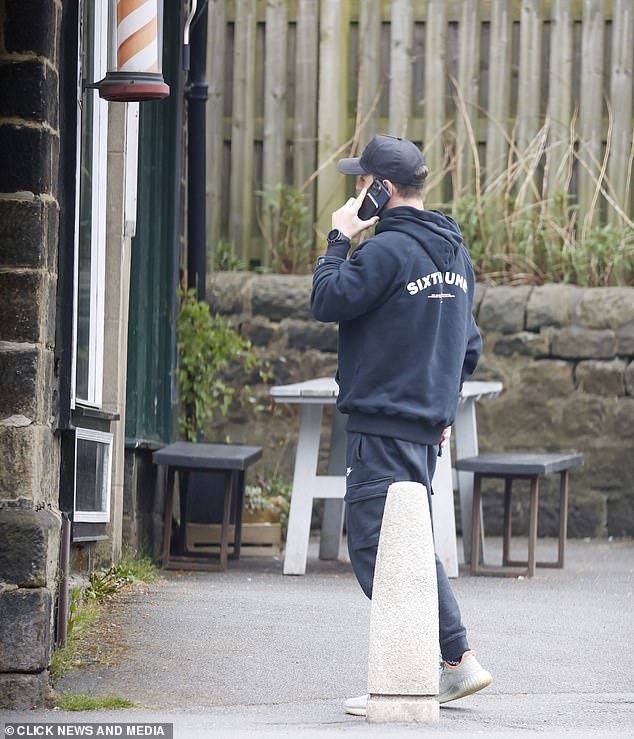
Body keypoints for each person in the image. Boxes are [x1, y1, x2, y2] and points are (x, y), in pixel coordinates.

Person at [310, 134, 492, 715]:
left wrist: (340, 237)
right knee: (404, 543)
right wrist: (442, 410)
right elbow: (469, 345)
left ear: (382, 190)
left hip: (383, 424)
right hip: (420, 428)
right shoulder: (452, 252)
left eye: (362, 182)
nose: (356, 190)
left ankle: (443, 663)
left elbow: (328, 299)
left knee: (377, 546)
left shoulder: (384, 252)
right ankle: (443, 662)